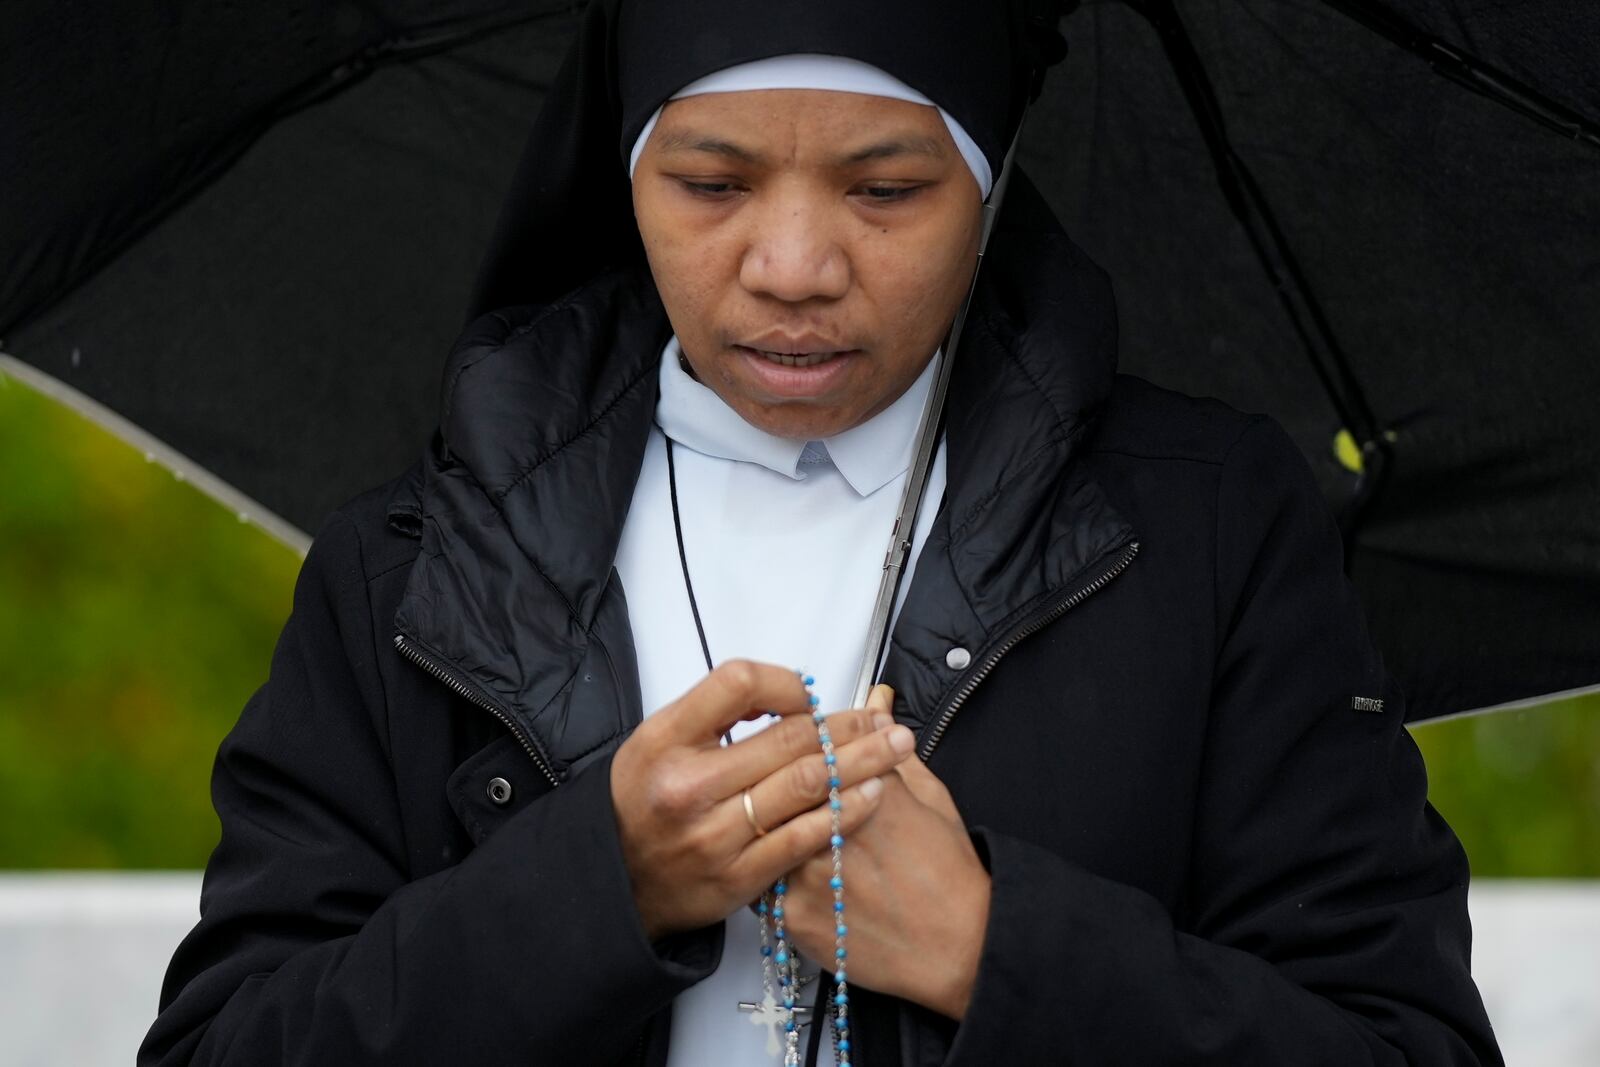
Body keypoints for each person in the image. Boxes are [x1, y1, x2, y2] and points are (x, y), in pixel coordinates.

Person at [140, 1, 1502, 1064]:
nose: (793, 267)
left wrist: (989, 946)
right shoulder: (420, 560)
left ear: (990, 179)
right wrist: (592, 889)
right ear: (625, 173)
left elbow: (1402, 1046)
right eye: (712, 184)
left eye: (888, 188)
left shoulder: (1208, 531)